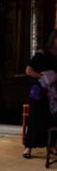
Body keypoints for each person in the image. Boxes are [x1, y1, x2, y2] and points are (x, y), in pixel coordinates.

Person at [22, 30, 57, 158]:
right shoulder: (41, 53)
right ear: (53, 39)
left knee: (52, 120)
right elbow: (28, 70)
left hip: (53, 94)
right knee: (35, 120)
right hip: (40, 92)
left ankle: (51, 146)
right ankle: (28, 147)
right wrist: (44, 77)